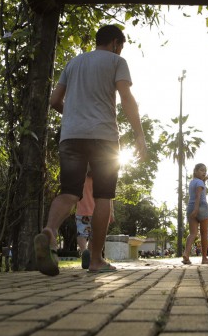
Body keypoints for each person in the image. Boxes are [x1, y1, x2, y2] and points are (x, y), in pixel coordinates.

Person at [35, 24, 147, 276]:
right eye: (121, 47)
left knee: (69, 193)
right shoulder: (116, 61)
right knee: (103, 197)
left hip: (71, 136)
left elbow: (54, 101)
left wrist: (75, 116)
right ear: (116, 43)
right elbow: (126, 98)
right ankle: (96, 260)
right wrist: (139, 135)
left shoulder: (74, 63)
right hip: (103, 138)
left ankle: (50, 231)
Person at [76, 173, 114, 269]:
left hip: (81, 210)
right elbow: (108, 199)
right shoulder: (102, 178)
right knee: (95, 234)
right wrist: (111, 213)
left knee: (81, 234)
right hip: (98, 213)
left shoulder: (81, 177)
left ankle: (84, 250)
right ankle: (92, 255)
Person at [182, 163, 208, 265]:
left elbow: (195, 194)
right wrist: (196, 209)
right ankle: (204, 258)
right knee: (204, 234)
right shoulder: (200, 183)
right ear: (195, 171)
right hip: (201, 207)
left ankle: (186, 253)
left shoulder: (192, 182)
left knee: (192, 233)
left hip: (190, 207)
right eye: (201, 170)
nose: (204, 172)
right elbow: (198, 197)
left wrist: (193, 210)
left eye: (205, 170)